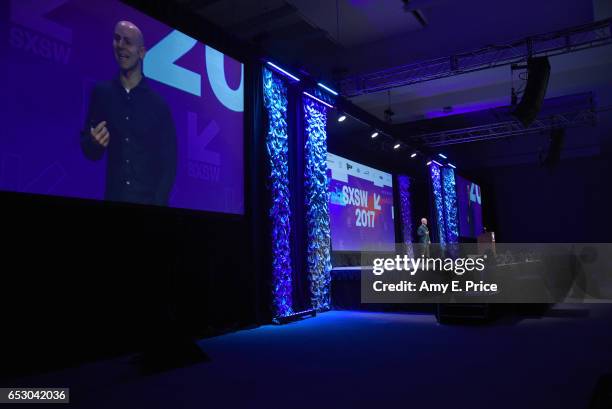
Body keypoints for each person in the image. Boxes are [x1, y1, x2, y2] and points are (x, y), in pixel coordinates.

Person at [81, 20, 176, 206]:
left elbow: (169, 165)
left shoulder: (158, 105)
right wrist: (93, 143)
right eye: (117, 39)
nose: (121, 46)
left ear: (142, 52)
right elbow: (90, 151)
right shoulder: (102, 94)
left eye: (128, 42)